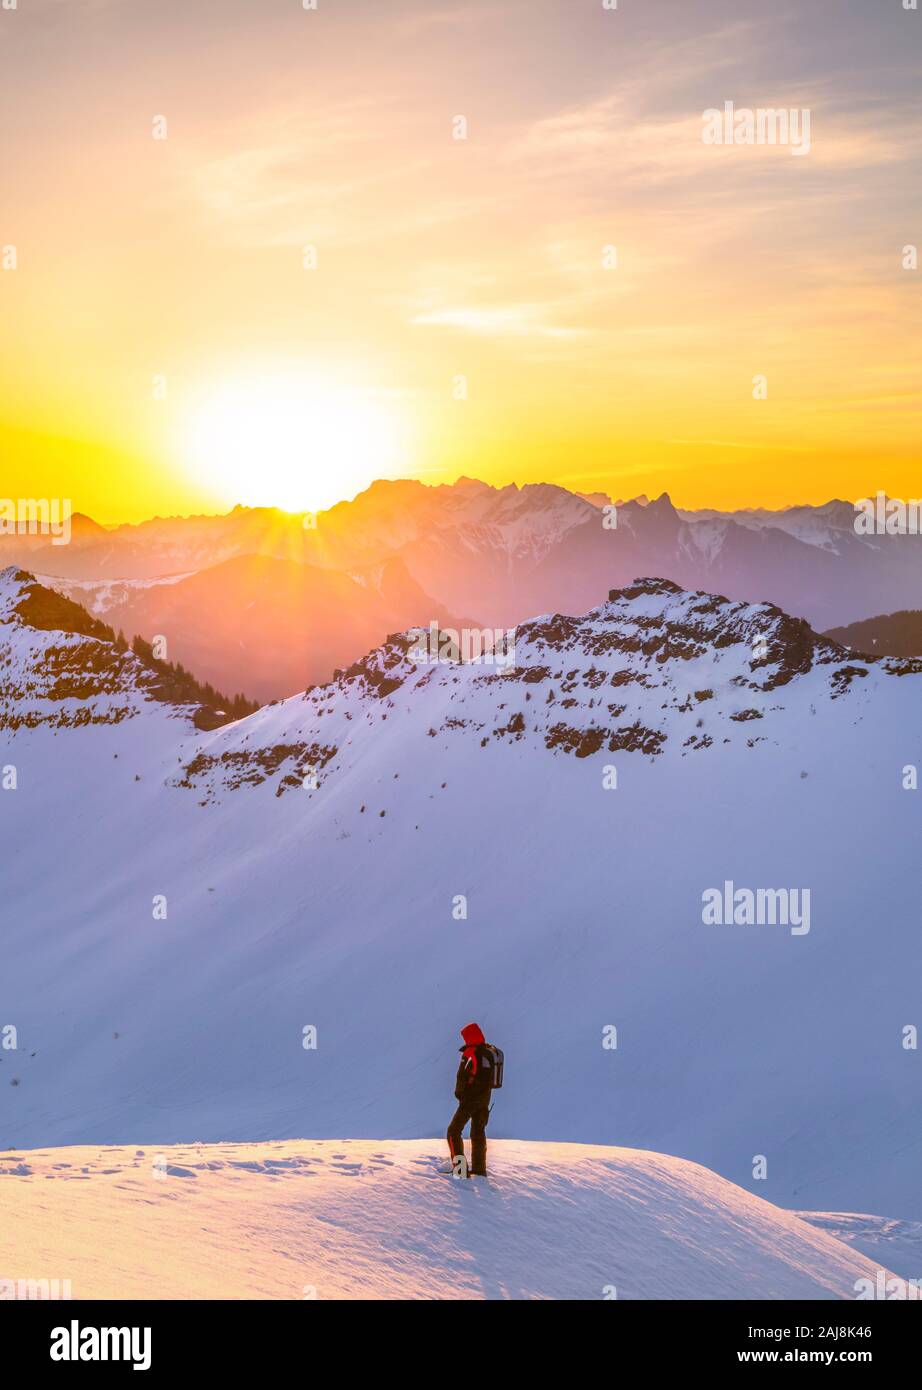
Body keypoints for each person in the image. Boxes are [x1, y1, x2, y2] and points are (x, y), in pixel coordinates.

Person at [447, 1021, 496, 1177]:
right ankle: (479, 1170)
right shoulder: (488, 1052)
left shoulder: (470, 1053)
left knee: (453, 1132)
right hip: (484, 1100)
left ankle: (460, 1171)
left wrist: (460, 1095)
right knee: (478, 1133)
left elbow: (462, 1077)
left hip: (470, 1100)